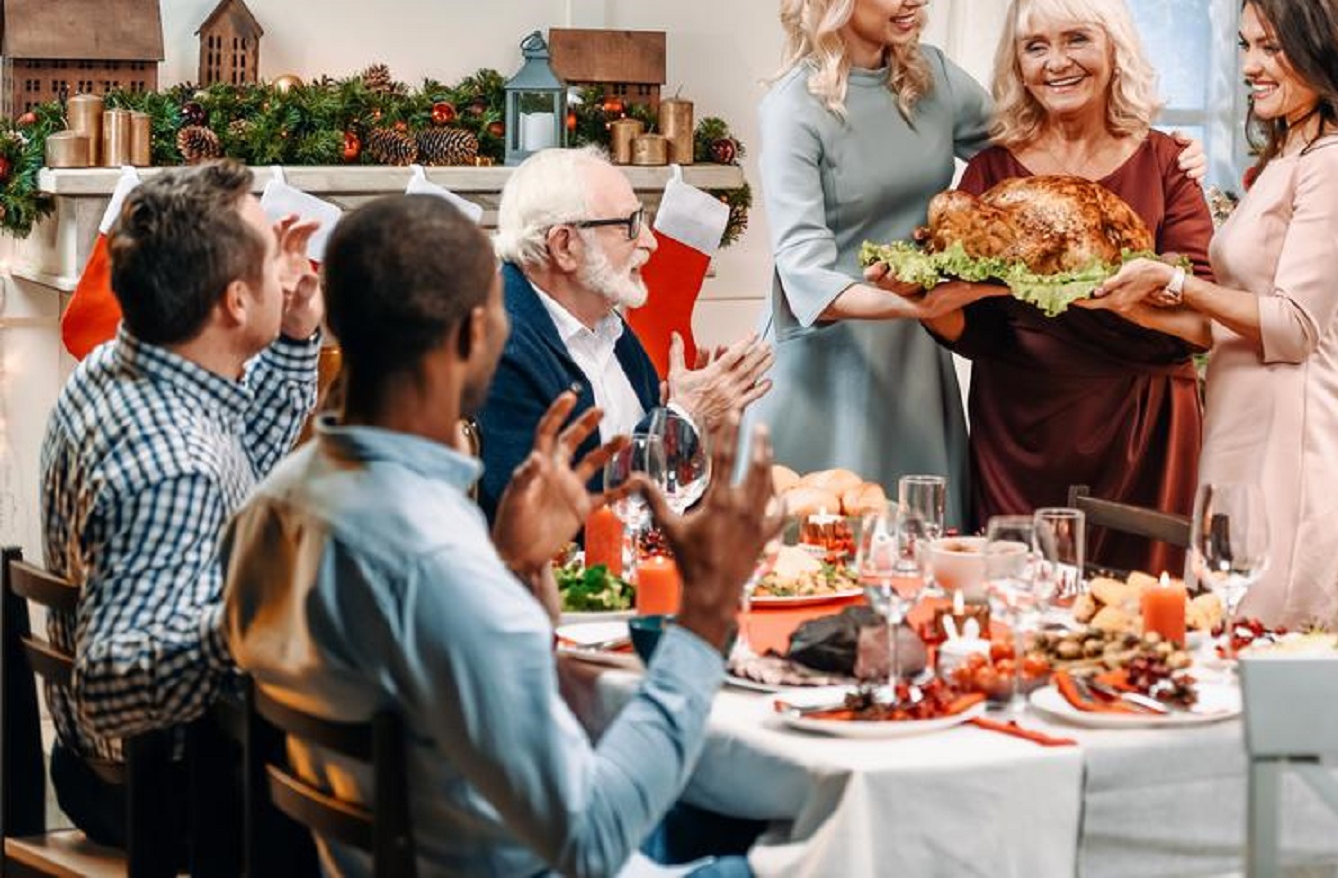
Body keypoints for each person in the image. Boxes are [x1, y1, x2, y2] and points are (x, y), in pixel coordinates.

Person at [221, 194, 781, 877]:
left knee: (739, 811)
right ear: (468, 337)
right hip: (524, 860)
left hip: (395, 853)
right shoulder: (437, 561)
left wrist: (516, 565)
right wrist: (705, 614)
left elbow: (443, 689)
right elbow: (591, 840)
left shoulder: (273, 504)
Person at [750, 0, 1207, 522]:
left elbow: (1039, 129)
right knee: (817, 543)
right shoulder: (792, 109)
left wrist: (1165, 144)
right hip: (834, 352)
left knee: (918, 536)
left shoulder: (929, 76)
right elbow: (803, 270)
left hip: (920, 344)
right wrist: (920, 302)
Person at [1091, 0, 1338, 627]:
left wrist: (1179, 282)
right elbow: (1233, 322)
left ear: (1324, 46)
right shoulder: (1291, 155)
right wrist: (1147, 308)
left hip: (1294, 437)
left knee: (1266, 641)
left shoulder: (1336, 165)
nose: (1249, 66)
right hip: (1245, 425)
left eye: (1271, 47)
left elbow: (1295, 327)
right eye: (1246, 45)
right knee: (1226, 635)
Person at [38, 159, 321, 845]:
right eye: (269, 259)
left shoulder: (131, 364)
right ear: (232, 302)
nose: (290, 269)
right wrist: (264, 617)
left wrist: (291, 330)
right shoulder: (172, 466)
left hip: (108, 766)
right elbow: (110, 683)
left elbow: (239, 463)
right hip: (164, 790)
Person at [912, 0, 1214, 572]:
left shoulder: (1167, 161)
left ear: (1113, 48)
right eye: (1035, 46)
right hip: (1020, 428)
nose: (1057, 62)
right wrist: (930, 306)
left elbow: (1204, 319)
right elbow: (979, 333)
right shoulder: (991, 172)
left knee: (1137, 621)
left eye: (1077, 39)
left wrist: (1125, 298)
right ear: (1018, 64)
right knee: (1017, 611)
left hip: (1145, 428)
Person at [476, 146, 773, 520]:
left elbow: (659, 492)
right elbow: (554, 516)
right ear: (565, 246)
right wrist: (682, 418)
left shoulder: (609, 327)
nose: (650, 241)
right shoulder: (500, 345)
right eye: (629, 225)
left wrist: (698, 431)